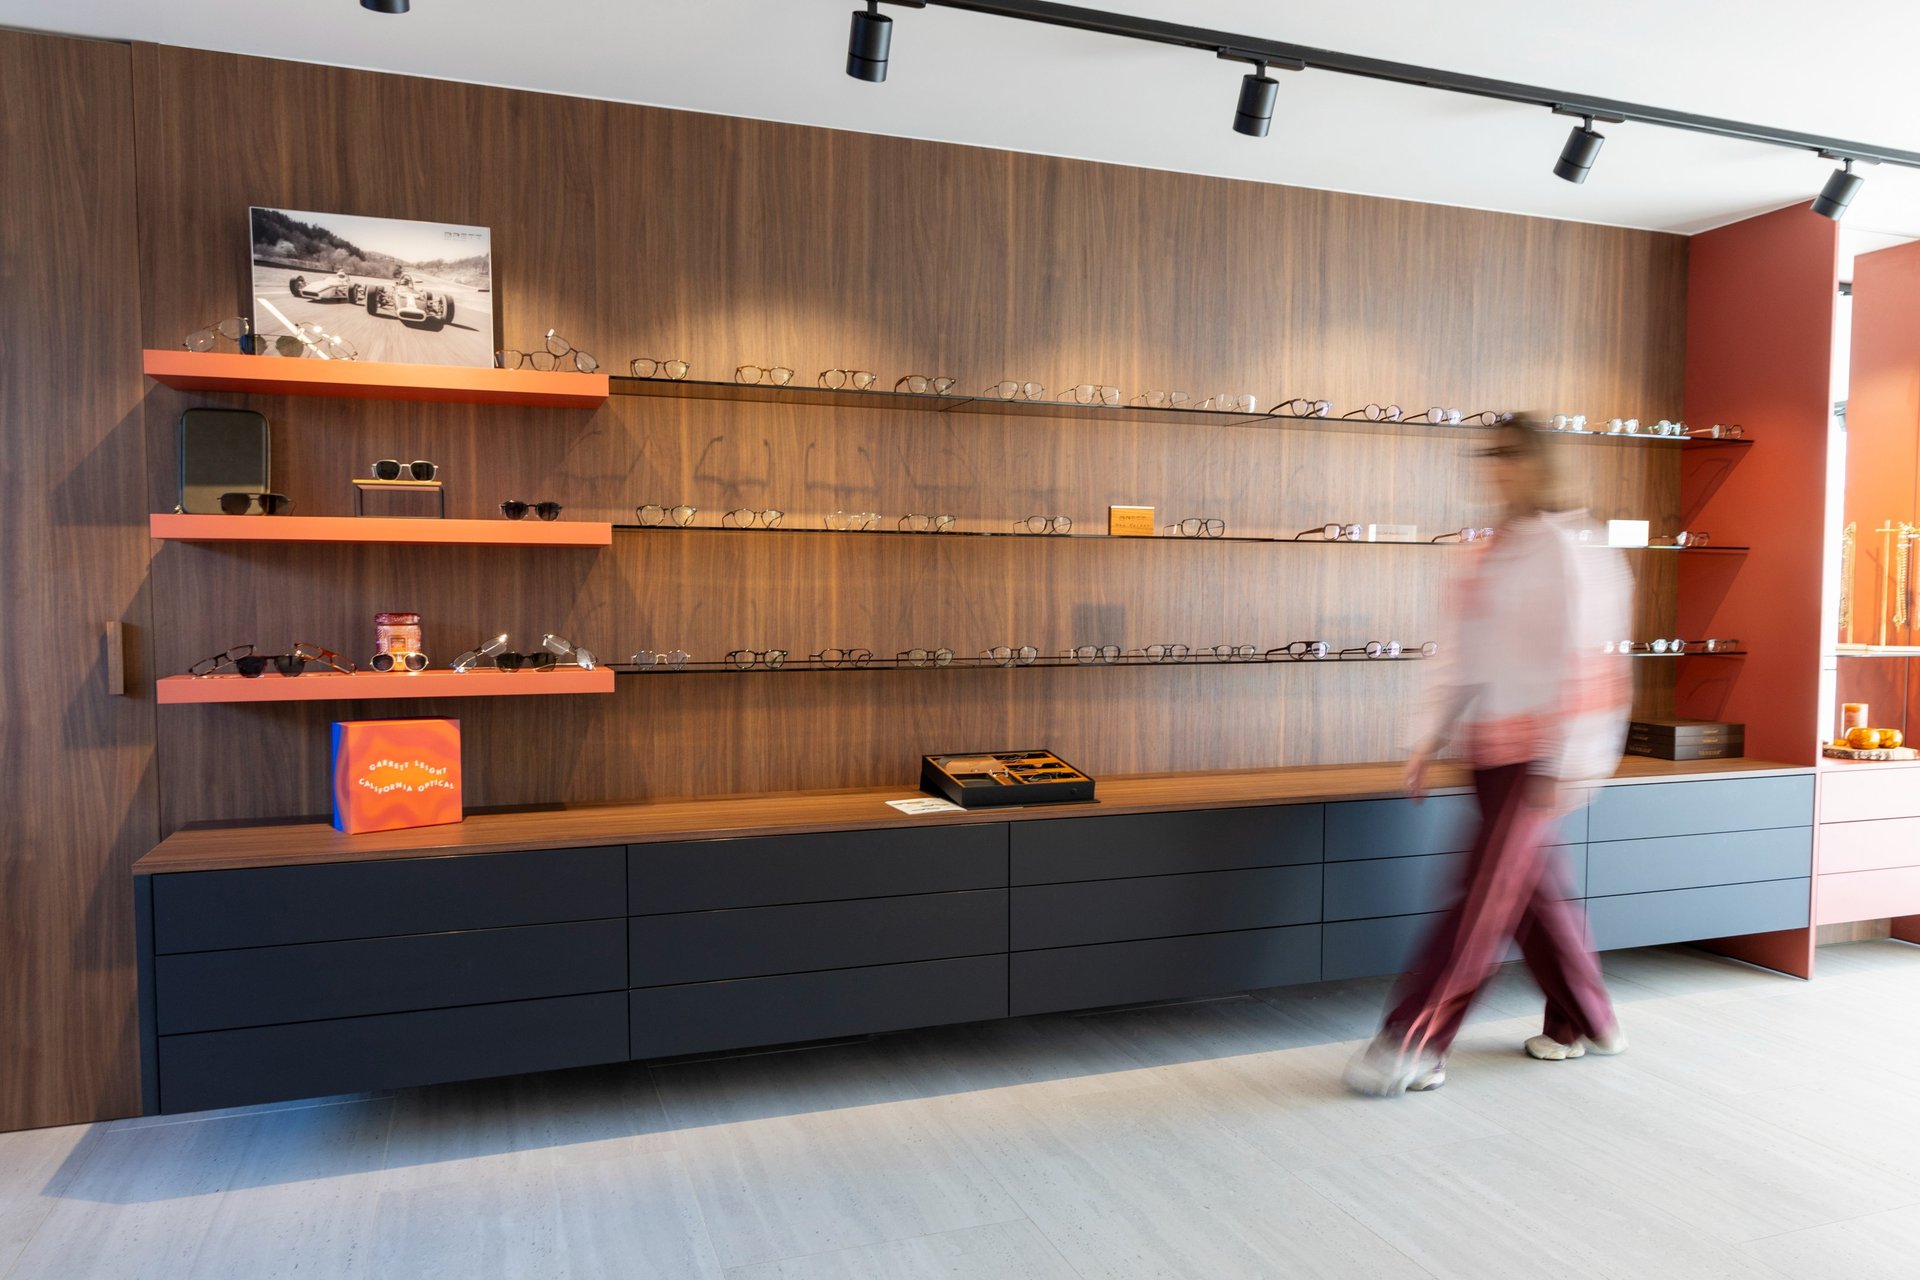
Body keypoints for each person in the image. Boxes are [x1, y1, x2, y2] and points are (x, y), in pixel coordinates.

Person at [1344, 419, 1633, 1096]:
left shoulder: (1574, 548)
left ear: (1542, 462)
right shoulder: (1485, 550)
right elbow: (1458, 655)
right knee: (1534, 898)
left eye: (1511, 454)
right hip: (1490, 751)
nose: (1498, 466)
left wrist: (1572, 761)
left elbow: (1592, 662)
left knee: (1480, 899)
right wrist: (1427, 736)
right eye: (1491, 454)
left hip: (1541, 756)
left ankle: (1414, 1041)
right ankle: (1587, 1019)